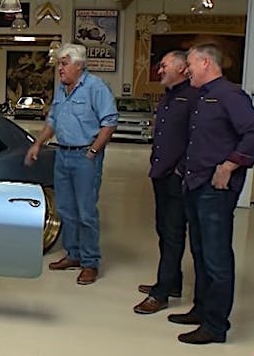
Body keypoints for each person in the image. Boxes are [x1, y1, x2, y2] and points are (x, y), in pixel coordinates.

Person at [169, 43, 254, 344]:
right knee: (200, 253)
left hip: (215, 190)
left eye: (190, 64)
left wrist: (229, 165)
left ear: (206, 63)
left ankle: (215, 326)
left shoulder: (229, 95)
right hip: (195, 184)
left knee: (216, 258)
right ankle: (201, 310)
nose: (186, 70)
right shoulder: (202, 96)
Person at [25, 43, 118, 285]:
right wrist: (38, 144)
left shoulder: (96, 87)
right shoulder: (61, 89)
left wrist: (93, 151)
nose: (60, 68)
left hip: (85, 156)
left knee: (86, 212)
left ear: (79, 65)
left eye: (64, 63)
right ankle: (73, 254)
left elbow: (109, 123)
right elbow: (52, 121)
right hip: (62, 155)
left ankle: (90, 262)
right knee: (66, 209)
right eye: (59, 64)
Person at [134, 51, 198, 314]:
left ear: (182, 68)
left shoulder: (193, 96)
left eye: (164, 65)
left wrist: (181, 170)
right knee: (163, 230)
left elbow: (198, 138)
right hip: (160, 173)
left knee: (172, 234)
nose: (159, 70)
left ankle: (160, 294)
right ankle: (172, 283)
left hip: (177, 177)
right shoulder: (168, 96)